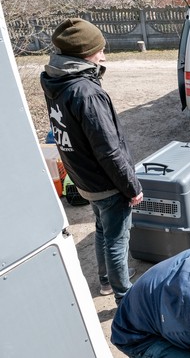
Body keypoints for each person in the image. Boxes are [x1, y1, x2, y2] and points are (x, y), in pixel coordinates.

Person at [40, 18, 143, 303]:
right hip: (106, 183)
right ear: (85, 53)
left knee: (101, 230)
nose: (104, 55)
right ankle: (125, 297)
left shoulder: (56, 81)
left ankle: (106, 281)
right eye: (99, 50)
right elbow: (109, 151)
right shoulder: (86, 92)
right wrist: (132, 187)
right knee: (117, 241)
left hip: (84, 179)